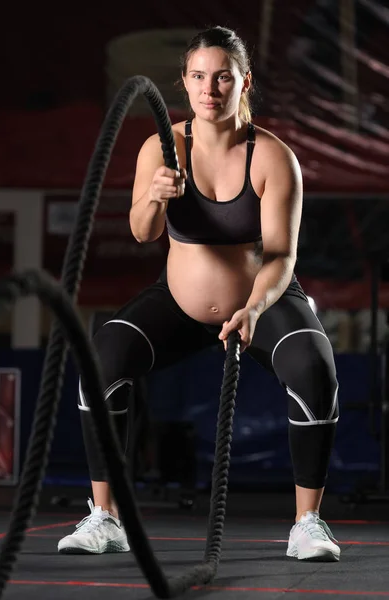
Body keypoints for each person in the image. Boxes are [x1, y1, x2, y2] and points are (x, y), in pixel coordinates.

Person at [58, 25, 340, 562]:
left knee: (315, 366)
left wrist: (254, 308)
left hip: (262, 301)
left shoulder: (273, 158)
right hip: (181, 305)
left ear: (244, 82)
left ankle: (308, 522)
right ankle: (105, 516)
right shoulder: (160, 148)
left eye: (222, 78)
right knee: (104, 358)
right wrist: (156, 197)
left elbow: (281, 256)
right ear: (183, 84)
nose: (210, 89)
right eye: (198, 77)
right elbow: (142, 232)